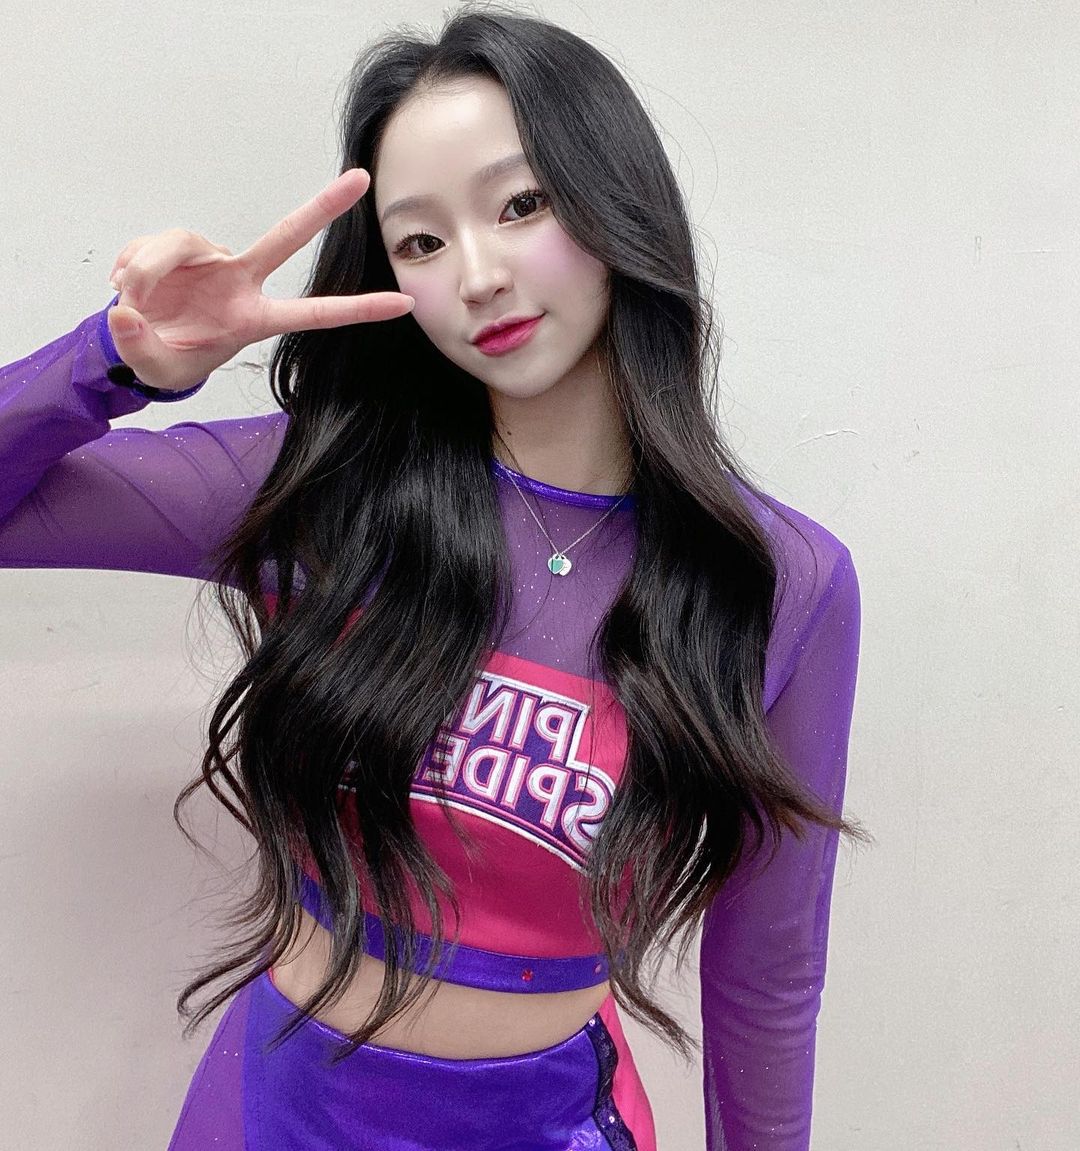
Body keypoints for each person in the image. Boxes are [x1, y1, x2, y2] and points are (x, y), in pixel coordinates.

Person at [0, 6, 869, 1149]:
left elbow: (768, 974)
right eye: (421, 242)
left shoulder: (778, 580)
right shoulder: (322, 487)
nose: (479, 275)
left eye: (521, 205)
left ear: (614, 200)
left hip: (550, 1125)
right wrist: (114, 361)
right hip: (275, 1115)